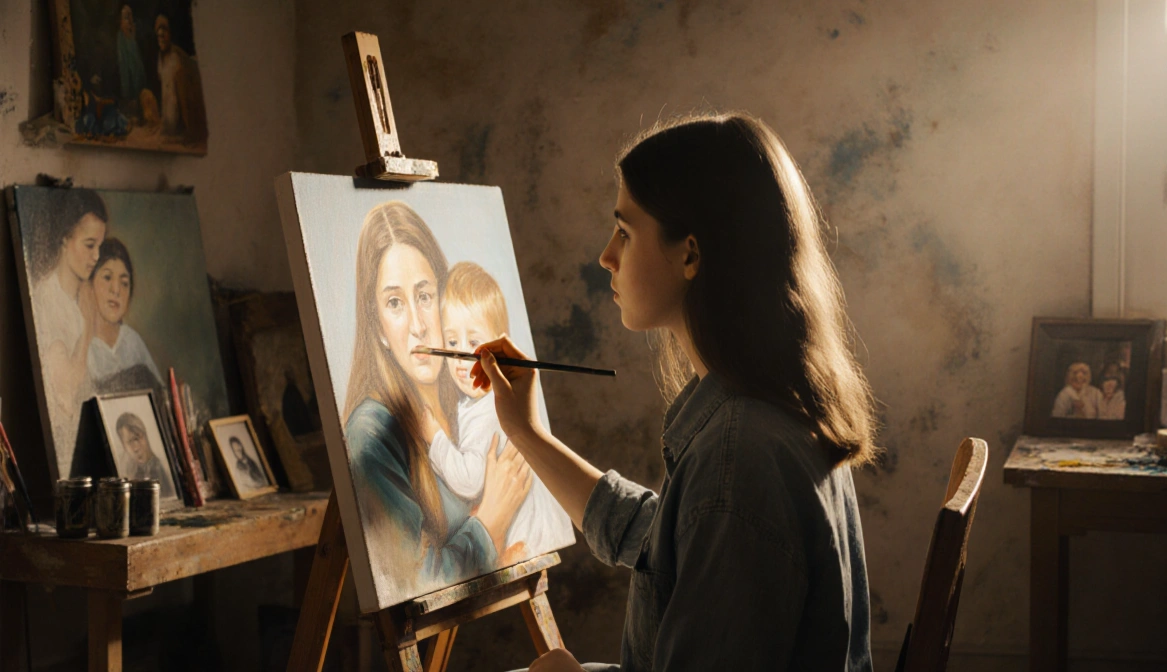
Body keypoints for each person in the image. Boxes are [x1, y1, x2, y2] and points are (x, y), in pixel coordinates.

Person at [473, 113, 877, 671]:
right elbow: (661, 542)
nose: (606, 256)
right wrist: (525, 432)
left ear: (690, 254)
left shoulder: (738, 458)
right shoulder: (774, 402)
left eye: (624, 232)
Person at [342, 201, 532, 602]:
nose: (419, 325)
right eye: (395, 303)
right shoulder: (371, 434)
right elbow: (412, 584)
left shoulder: (469, 399)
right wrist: (490, 521)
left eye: (425, 296)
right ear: (378, 327)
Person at [431, 261, 573, 556]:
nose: (460, 356)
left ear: (497, 347)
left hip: (525, 540)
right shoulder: (476, 400)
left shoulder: (488, 410)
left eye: (473, 342)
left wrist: (433, 437)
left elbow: (469, 481)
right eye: (452, 341)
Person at [31, 190, 108, 471]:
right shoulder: (47, 299)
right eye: (89, 245)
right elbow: (64, 393)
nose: (96, 256)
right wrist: (87, 331)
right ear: (65, 238)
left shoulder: (81, 298)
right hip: (64, 452)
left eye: (99, 246)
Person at [87, 238, 163, 391]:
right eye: (107, 277)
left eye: (124, 283)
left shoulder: (133, 342)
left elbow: (160, 394)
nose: (116, 290)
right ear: (89, 284)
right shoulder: (84, 346)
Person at [154, 15, 207, 143]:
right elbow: (161, 78)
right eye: (159, 37)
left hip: (176, 106)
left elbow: (183, 88)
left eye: (164, 36)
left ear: (169, 35)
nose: (161, 39)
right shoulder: (160, 57)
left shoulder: (176, 56)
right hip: (166, 105)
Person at [114, 412, 175, 499]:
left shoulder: (160, 468)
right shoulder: (130, 473)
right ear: (124, 446)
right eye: (129, 442)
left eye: (137, 439)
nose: (135, 448)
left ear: (145, 436)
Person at [116, 5, 147, 116]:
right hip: (130, 93)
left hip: (142, 89)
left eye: (130, 16)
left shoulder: (136, 35)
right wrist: (128, 97)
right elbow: (124, 69)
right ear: (121, 21)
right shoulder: (121, 39)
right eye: (125, 17)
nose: (129, 20)